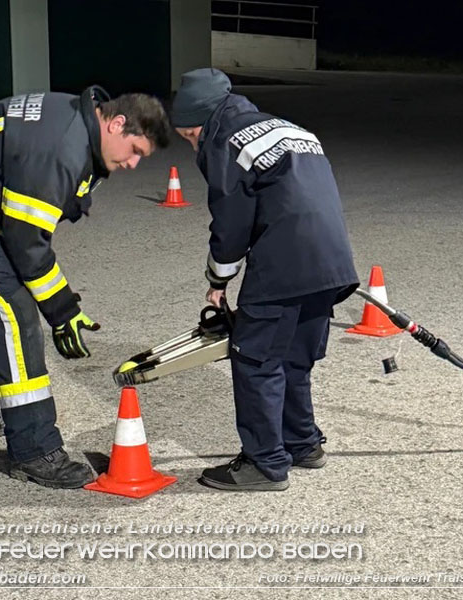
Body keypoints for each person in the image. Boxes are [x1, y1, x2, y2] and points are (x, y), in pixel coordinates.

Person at [0, 86, 170, 489]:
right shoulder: (60, 148)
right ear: (116, 123)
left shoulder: (75, 121)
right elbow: (27, 243)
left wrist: (62, 307)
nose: (131, 164)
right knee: (13, 314)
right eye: (135, 152)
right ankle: (35, 450)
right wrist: (63, 312)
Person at [170, 68, 359, 492]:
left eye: (189, 136)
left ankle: (265, 463)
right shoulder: (293, 129)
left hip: (285, 262)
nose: (192, 144)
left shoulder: (226, 139)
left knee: (254, 358)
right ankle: (303, 444)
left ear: (204, 119)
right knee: (294, 356)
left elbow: (232, 220)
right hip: (333, 261)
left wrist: (218, 279)